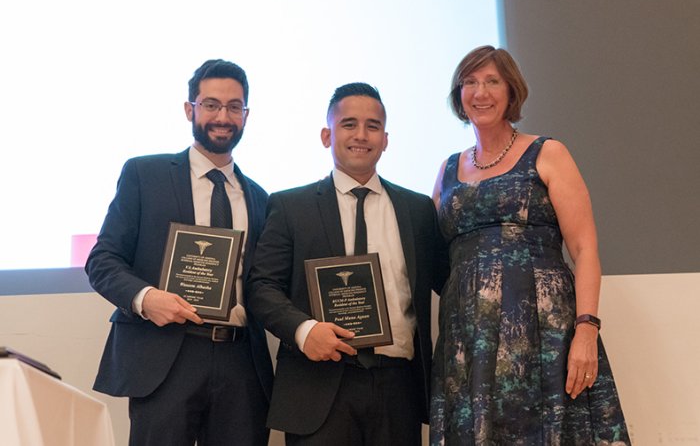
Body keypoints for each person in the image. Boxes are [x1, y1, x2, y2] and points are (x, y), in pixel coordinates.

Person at [430, 45, 630, 445]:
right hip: (468, 339)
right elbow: (437, 257)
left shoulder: (548, 153)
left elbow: (585, 248)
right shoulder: (447, 169)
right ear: (459, 94)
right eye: (469, 82)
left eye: (491, 81)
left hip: (544, 333)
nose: (480, 92)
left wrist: (586, 330)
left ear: (511, 90)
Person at [247, 82, 448, 445]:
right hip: (318, 384)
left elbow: (448, 281)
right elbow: (261, 287)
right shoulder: (291, 207)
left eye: (373, 126)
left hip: (397, 388)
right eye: (349, 124)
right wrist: (304, 331)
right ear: (327, 135)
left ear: (386, 139)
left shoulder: (417, 210)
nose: (361, 135)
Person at [86, 59, 273, 446]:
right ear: (190, 109)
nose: (223, 116)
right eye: (211, 104)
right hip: (166, 356)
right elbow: (102, 260)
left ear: (246, 115)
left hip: (240, 363)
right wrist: (145, 298)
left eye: (234, 107)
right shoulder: (144, 175)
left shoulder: (260, 198)